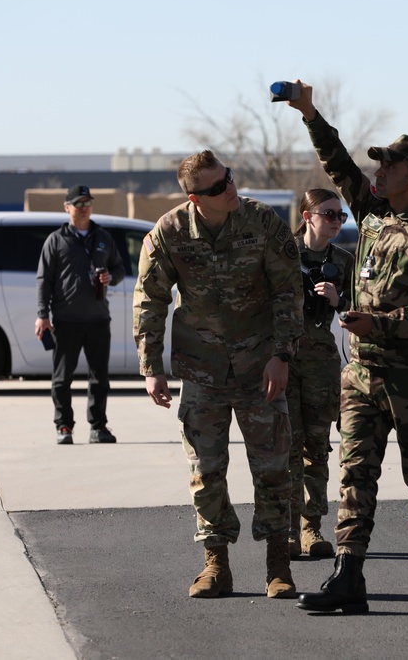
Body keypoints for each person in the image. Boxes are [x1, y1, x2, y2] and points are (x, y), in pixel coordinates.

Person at [282, 81, 408, 613]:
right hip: (360, 375)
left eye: (389, 166)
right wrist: (309, 112)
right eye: (378, 165)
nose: (378, 172)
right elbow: (336, 163)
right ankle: (348, 576)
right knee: (355, 472)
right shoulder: (372, 212)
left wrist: (377, 323)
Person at [132, 151, 304, 600]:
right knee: (206, 471)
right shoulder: (169, 231)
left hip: (259, 367)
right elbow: (150, 298)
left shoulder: (263, 223)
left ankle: (278, 566)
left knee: (272, 469)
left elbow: (289, 291)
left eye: (228, 178)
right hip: (202, 370)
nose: (229, 188)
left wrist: (282, 355)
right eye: (215, 187)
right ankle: (215, 566)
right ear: (195, 197)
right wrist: (151, 368)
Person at [287, 188, 354, 559]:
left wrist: (338, 300)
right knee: (288, 448)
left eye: (339, 216)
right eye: (328, 214)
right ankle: (288, 530)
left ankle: (311, 527)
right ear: (307, 215)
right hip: (283, 360)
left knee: (317, 447)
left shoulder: (343, 260)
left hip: (321, 363)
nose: (335, 222)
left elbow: (358, 309)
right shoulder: (283, 253)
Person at [35, 185, 125, 445]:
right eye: (78, 203)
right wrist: (43, 315)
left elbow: (119, 268)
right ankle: (64, 426)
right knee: (62, 378)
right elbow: (44, 280)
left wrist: (112, 277)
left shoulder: (103, 237)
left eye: (88, 203)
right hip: (66, 320)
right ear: (67, 208)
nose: (84, 207)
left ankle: (99, 427)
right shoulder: (56, 240)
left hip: (98, 319)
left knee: (100, 378)